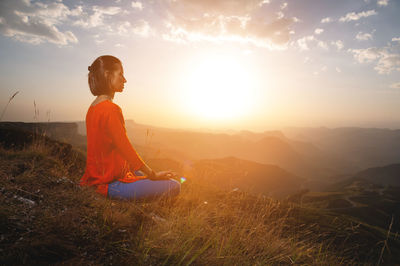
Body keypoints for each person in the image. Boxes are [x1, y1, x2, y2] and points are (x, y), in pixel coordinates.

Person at [80, 55, 180, 201]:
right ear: (108, 75)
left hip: (98, 178)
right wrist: (153, 175)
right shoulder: (111, 109)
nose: (124, 80)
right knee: (175, 186)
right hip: (110, 184)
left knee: (145, 176)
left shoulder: (93, 108)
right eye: (120, 74)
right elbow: (125, 148)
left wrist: (147, 174)